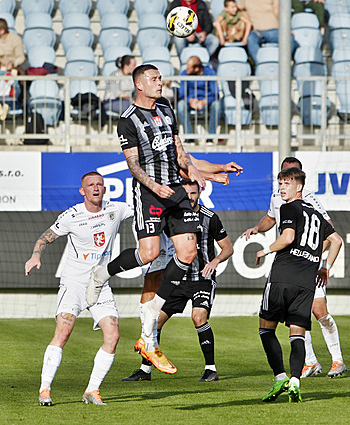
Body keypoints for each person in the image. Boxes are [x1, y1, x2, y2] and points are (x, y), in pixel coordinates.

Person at [88, 64, 206, 375]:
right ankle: (103, 272)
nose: (160, 83)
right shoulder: (127, 120)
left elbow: (178, 149)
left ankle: (153, 311)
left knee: (188, 253)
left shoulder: (167, 108)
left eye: (160, 78)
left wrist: (191, 168)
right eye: (154, 79)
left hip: (175, 190)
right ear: (140, 84)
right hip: (150, 193)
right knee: (150, 254)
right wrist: (155, 187)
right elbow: (133, 165)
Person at [121, 157, 243, 382]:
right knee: (154, 321)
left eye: (193, 192)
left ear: (199, 192)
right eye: (185, 192)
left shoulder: (210, 218)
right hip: (177, 279)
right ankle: (145, 370)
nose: (189, 196)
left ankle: (210, 369)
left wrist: (214, 262)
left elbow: (228, 248)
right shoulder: (172, 215)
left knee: (198, 317)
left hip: (201, 279)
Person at [24, 171, 133, 407]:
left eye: (99, 185)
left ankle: (92, 390)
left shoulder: (118, 209)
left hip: (100, 283)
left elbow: (146, 207)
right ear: (82, 191)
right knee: (63, 332)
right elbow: (45, 237)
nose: (95, 188)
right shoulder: (72, 215)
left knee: (113, 336)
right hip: (73, 283)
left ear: (105, 189)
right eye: (90, 185)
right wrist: (35, 255)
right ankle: (44, 389)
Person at [242, 156, 347, 380]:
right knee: (296, 315)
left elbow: (329, 231)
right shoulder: (277, 198)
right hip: (289, 264)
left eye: (289, 178)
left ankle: (337, 358)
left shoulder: (310, 200)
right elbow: (271, 218)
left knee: (318, 311)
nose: (283, 184)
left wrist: (318, 260)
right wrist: (256, 228)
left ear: (299, 180)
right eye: (282, 179)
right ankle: (310, 362)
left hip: (307, 264)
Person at [236, 0, 296, 66]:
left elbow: (277, 11)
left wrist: (286, 27)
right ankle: (260, 65)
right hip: (258, 32)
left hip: (275, 30)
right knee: (251, 38)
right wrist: (244, 14)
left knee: (289, 37)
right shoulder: (246, 1)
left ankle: (285, 64)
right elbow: (233, 7)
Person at [178, 56, 220, 144]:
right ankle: (189, 138)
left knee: (217, 105)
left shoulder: (210, 73)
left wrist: (204, 101)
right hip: (190, 102)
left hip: (206, 102)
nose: (186, 69)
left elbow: (215, 94)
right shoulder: (184, 74)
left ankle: (210, 138)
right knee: (181, 105)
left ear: (196, 68)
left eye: (189, 68)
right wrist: (190, 101)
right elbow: (182, 93)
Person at [0, 56, 21, 121]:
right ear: (7, 64)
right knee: (12, 104)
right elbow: (15, 85)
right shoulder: (9, 74)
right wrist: (15, 77)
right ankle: (6, 107)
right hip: (9, 96)